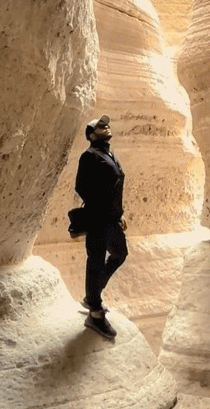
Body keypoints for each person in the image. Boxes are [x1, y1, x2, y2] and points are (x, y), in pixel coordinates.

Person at [76, 114, 127, 339]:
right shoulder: (89, 156)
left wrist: (119, 214)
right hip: (100, 219)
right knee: (97, 260)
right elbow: (82, 187)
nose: (105, 126)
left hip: (111, 218)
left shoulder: (108, 154)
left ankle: (92, 295)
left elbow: (114, 188)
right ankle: (95, 314)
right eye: (99, 126)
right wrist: (103, 212)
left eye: (106, 124)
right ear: (91, 134)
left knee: (118, 254)